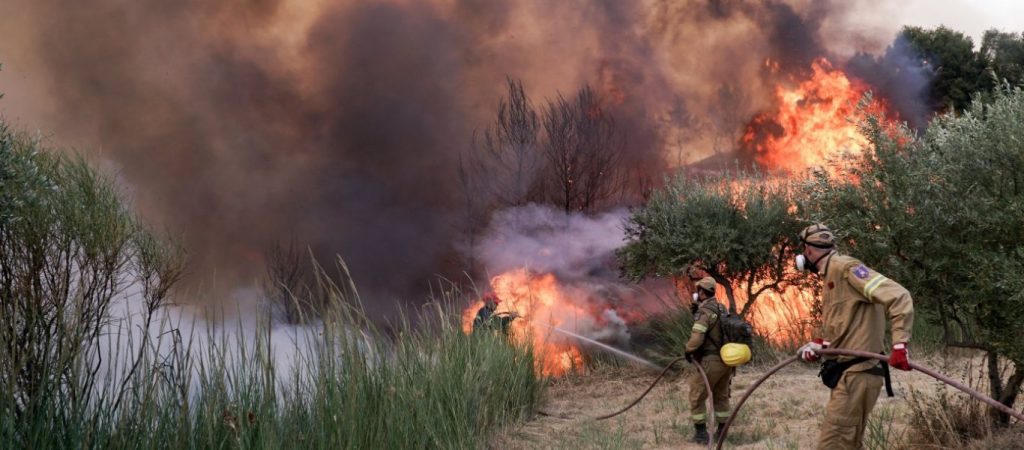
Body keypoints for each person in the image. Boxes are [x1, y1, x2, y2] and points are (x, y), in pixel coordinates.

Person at [794, 223, 914, 450]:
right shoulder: (832, 275)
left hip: (857, 375)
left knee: (833, 445)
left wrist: (900, 345)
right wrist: (822, 347)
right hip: (850, 375)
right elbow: (847, 326)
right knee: (848, 444)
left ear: (808, 251)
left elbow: (899, 296)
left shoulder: (846, 269)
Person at [684, 276, 734, 444]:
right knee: (721, 396)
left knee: (696, 397)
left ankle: (700, 435)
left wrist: (689, 350)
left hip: (711, 361)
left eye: (698, 291)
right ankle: (722, 432)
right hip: (726, 361)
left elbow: (697, 337)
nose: (696, 294)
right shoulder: (722, 308)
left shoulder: (705, 312)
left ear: (702, 292)